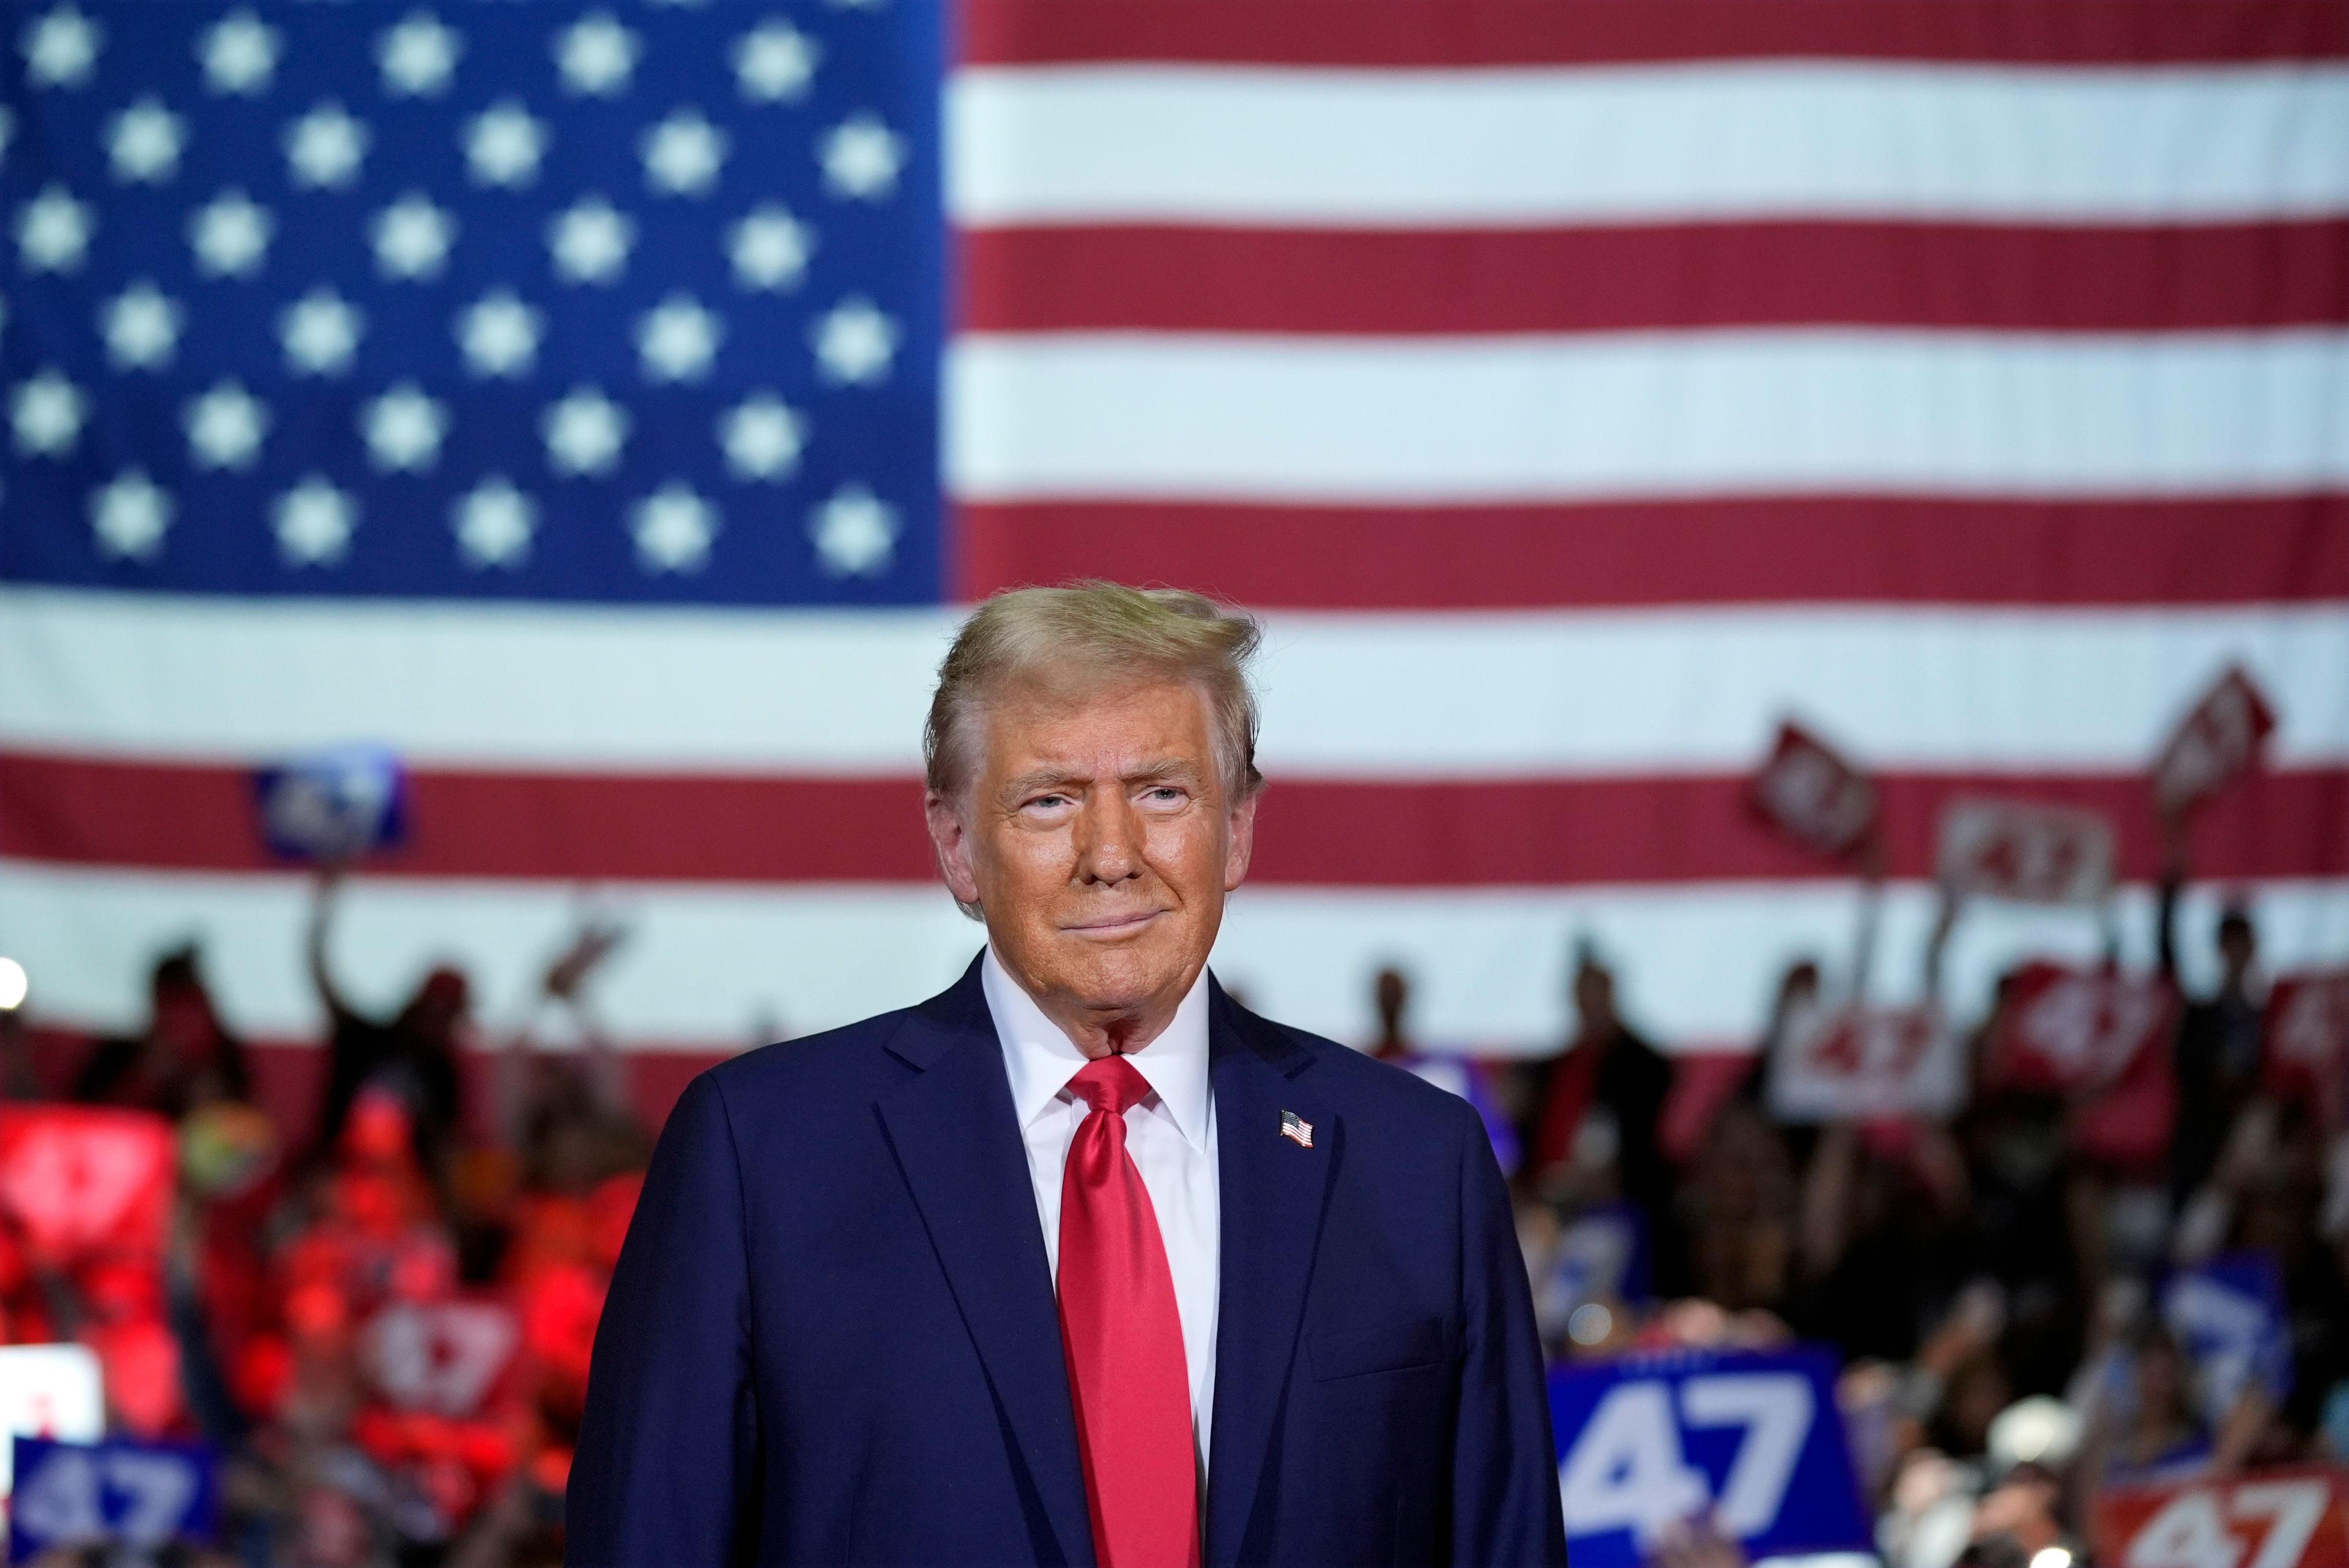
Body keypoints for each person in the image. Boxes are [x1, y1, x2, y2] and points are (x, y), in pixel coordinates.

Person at [570, 583, 1565, 1567]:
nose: (1111, 854)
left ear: (1240, 827)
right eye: (1050, 801)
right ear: (959, 846)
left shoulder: (1416, 1165)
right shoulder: (763, 1158)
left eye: (1161, 791)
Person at [306, 869, 470, 1185]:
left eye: (450, 1015)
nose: (442, 1024)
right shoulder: (364, 1038)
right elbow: (320, 973)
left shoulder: (444, 1073)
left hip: (404, 1201)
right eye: (437, 1013)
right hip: (333, 1182)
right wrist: (324, 905)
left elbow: (446, 1148)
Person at [73, 944, 250, 1117]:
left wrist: (213, 1100)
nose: (183, 1025)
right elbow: (87, 1120)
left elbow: (254, 1130)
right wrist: (148, 1076)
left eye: (192, 1004)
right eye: (173, 1003)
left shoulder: (227, 1058)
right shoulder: (120, 1050)